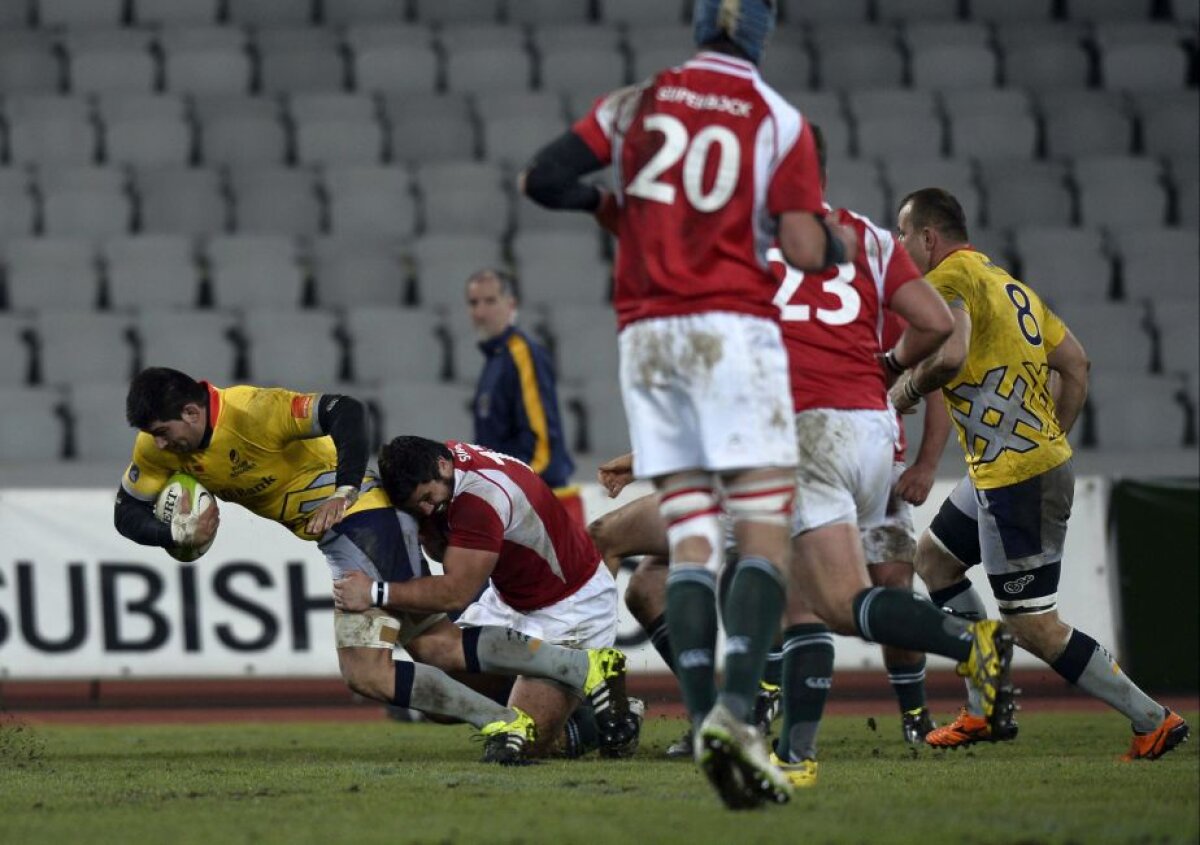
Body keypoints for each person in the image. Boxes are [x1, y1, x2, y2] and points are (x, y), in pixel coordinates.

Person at [521, 0, 859, 810]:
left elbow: (543, 178)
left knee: (693, 536)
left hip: (646, 338)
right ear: (762, 30)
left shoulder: (633, 102)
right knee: (765, 525)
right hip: (730, 331)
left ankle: (706, 708)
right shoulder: (779, 119)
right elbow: (806, 250)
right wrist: (834, 242)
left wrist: (613, 208)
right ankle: (736, 715)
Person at [115, 368, 632, 764]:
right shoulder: (157, 450)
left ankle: (511, 718)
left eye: (164, 431)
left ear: (190, 412)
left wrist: (343, 488)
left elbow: (346, 410)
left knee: (374, 669)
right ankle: (569, 677)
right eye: (153, 437)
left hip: (366, 521)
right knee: (433, 646)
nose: (160, 445)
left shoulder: (252, 410)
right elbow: (125, 512)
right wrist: (171, 534)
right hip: (345, 539)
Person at [890, 188, 1190, 761]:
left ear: (929, 237)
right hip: (1007, 471)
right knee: (933, 559)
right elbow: (1076, 362)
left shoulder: (947, 280)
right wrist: (1051, 437)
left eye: (904, 235)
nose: (902, 248)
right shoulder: (1009, 285)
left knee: (1033, 626)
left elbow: (950, 358)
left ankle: (1153, 718)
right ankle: (982, 704)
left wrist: (903, 388)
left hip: (1014, 480)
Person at [334, 436, 641, 760]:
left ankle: (611, 712)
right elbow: (443, 552)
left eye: (427, 497)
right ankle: (561, 696)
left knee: (530, 743)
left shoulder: (479, 499)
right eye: (416, 506)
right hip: (511, 598)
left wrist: (373, 591)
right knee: (442, 698)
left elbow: (456, 593)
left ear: (441, 466)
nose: (426, 509)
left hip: (570, 607)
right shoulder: (446, 463)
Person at [465, 269, 584, 526]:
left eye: (490, 301)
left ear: (511, 305)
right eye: (474, 303)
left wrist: (510, 492)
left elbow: (542, 443)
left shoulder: (521, 355)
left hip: (535, 504)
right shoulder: (496, 359)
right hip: (514, 499)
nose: (480, 312)